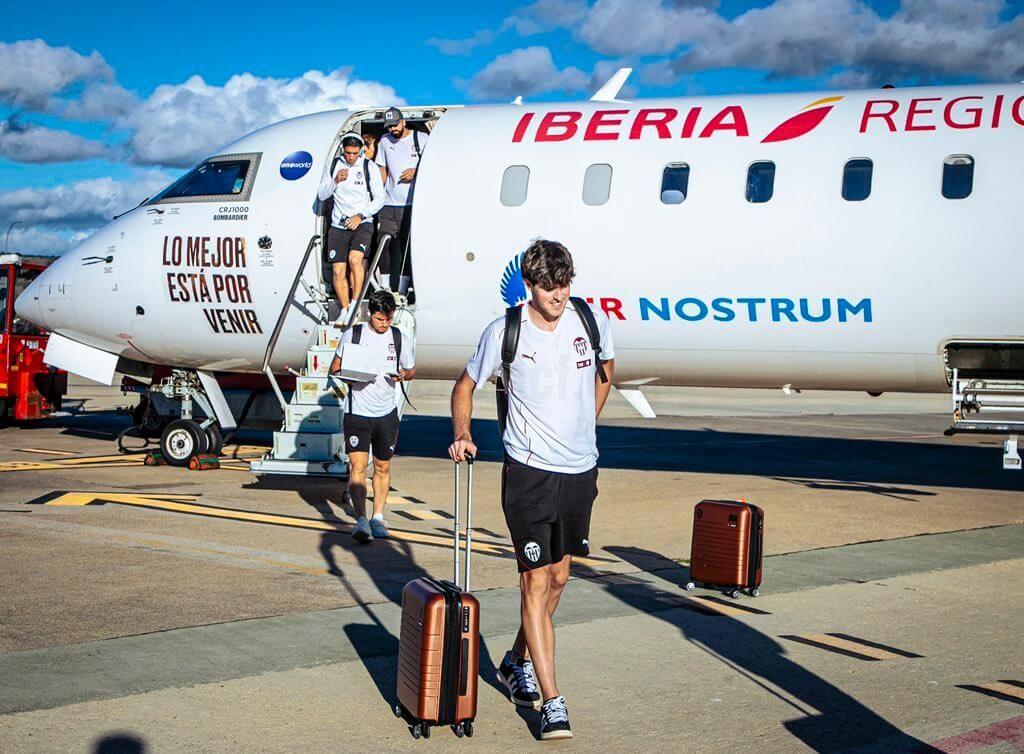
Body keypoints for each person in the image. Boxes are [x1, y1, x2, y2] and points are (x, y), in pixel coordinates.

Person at [448, 239, 615, 740]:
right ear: (529, 284)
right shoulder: (506, 331)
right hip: (528, 474)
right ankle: (552, 702)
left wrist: (585, 424)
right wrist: (463, 433)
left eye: (564, 284)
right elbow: (464, 386)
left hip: (580, 471)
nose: (558, 295)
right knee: (535, 583)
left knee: (559, 578)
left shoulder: (590, 321)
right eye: (548, 286)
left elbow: (606, 372)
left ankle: (514, 661)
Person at [329, 289, 415, 542]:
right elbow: (335, 368)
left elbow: (411, 370)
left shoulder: (398, 337)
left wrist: (402, 375)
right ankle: (361, 520)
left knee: (382, 466)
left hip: (386, 413)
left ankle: (378, 517)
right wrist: (350, 375)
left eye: (388, 319)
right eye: (380, 319)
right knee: (357, 467)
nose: (384, 324)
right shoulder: (353, 335)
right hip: (357, 412)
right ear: (370, 313)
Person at [318, 132, 385, 324]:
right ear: (342, 150)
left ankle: (355, 306)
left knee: (355, 260)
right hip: (338, 224)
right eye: (348, 153)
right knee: (338, 270)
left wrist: (361, 215)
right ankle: (345, 308)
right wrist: (335, 181)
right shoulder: (334, 165)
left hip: (362, 222)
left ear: (361, 151)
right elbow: (322, 195)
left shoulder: (368, 167)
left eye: (355, 153)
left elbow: (379, 199)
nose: (351, 157)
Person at [374, 107, 427, 296]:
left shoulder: (421, 138)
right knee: (384, 242)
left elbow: (431, 165)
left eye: (395, 125)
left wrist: (416, 172)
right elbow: (382, 168)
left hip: (411, 203)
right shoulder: (385, 141)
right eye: (389, 126)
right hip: (389, 202)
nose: (393, 129)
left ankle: (403, 288)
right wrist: (377, 194)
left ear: (403, 122)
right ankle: (385, 285)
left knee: (407, 246)